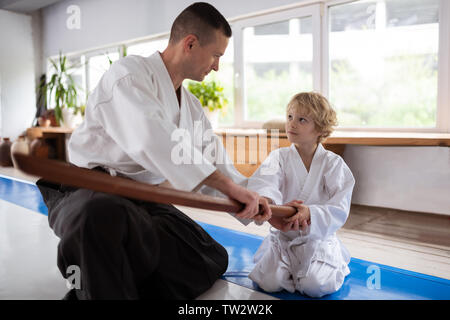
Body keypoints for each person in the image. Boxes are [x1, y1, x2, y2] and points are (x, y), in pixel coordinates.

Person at [36, 2, 271, 300]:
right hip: (88, 190)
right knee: (101, 217)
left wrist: (269, 208)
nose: (216, 66)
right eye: (216, 55)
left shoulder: (192, 108)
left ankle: (115, 272)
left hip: (142, 200)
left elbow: (218, 167)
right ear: (190, 43)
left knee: (209, 255)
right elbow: (152, 137)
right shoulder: (128, 74)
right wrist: (224, 185)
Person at [247, 92, 355, 298]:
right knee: (270, 283)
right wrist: (268, 203)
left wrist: (310, 213)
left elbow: (340, 206)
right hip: (284, 236)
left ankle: (333, 262)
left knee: (314, 286)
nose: (291, 124)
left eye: (301, 119)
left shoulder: (333, 164)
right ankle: (288, 270)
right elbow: (265, 184)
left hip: (317, 238)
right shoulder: (278, 157)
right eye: (289, 117)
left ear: (320, 129)